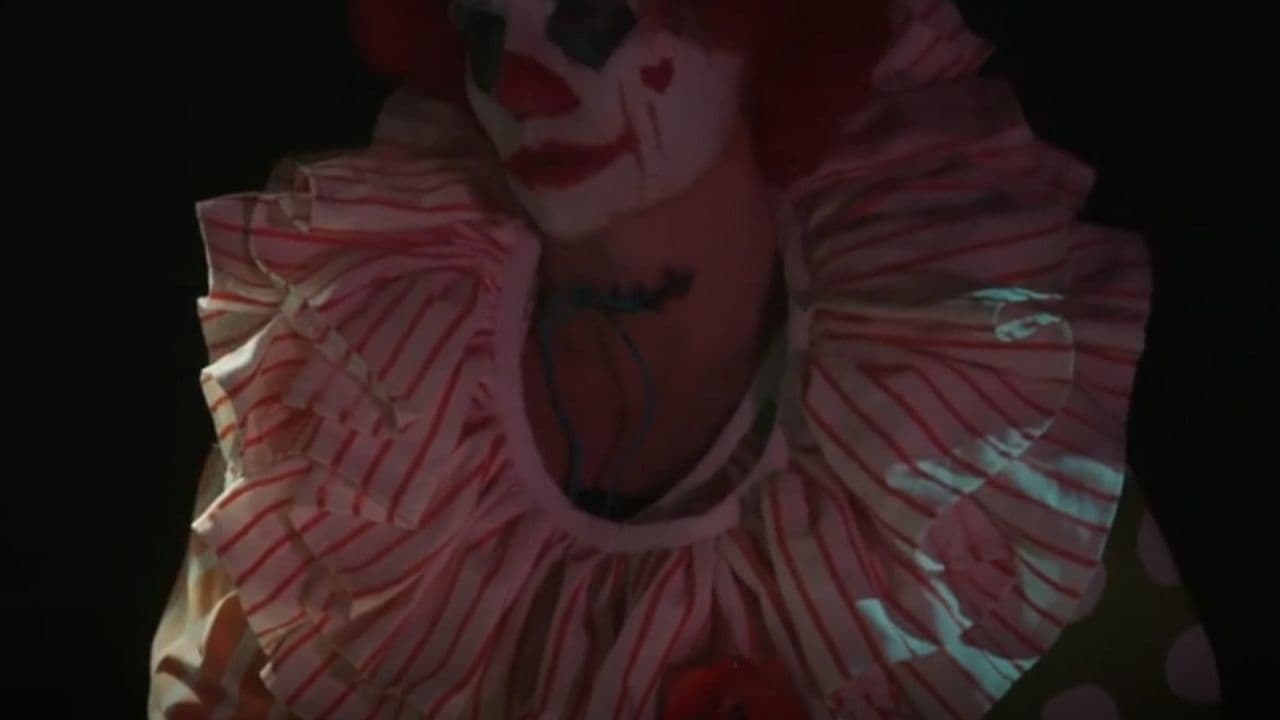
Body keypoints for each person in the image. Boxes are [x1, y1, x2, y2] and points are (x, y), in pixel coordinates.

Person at [150, 1, 1212, 717]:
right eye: (483, 27)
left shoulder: (968, 388)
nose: (519, 85)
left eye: (593, 18)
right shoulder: (352, 366)